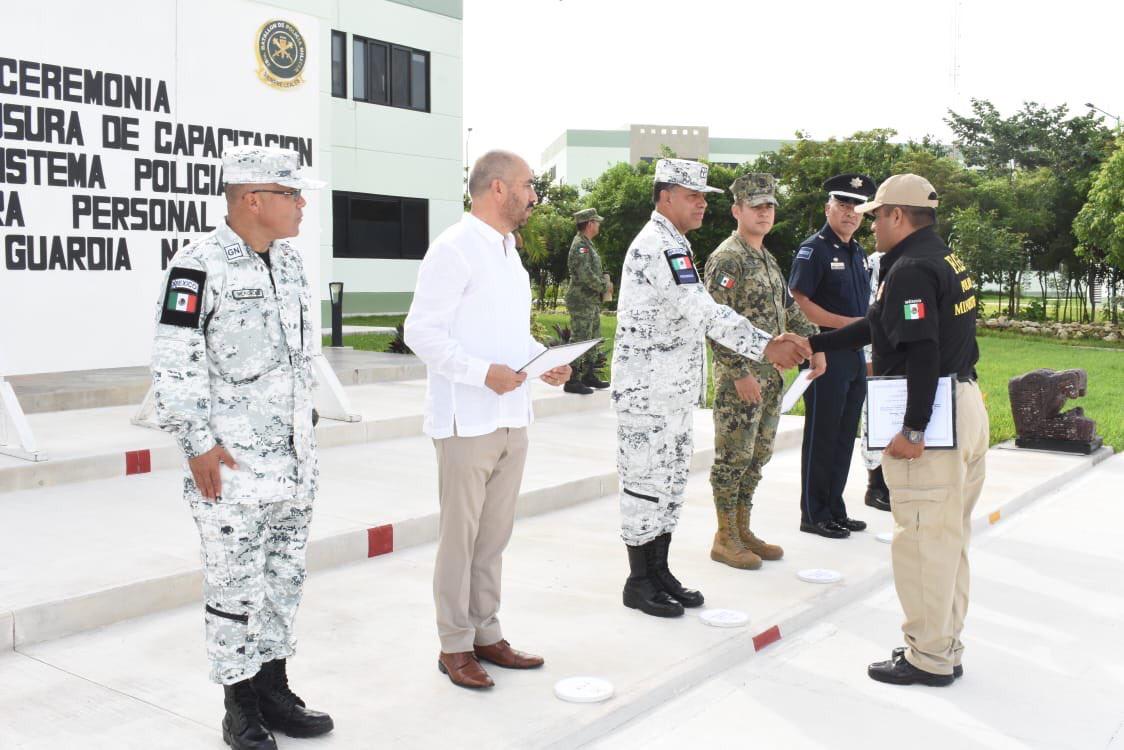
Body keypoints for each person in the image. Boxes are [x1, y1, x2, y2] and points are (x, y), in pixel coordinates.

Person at [151, 146, 333, 750]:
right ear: (253, 199)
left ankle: (274, 690)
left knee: (283, 580)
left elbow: (301, 361)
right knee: (234, 590)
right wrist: (197, 443)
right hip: (232, 466)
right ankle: (239, 708)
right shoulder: (198, 265)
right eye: (292, 194)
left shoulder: (290, 263)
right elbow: (175, 364)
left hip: (293, 462)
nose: (303, 204)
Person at [808, 173, 987, 687]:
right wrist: (818, 343)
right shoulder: (942, 258)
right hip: (962, 403)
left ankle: (928, 658)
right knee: (948, 539)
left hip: (930, 415)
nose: (871, 229)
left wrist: (913, 427)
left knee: (923, 542)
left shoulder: (909, 268)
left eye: (876, 218)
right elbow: (880, 325)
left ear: (897, 216)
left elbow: (924, 349)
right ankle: (942, 645)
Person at [613, 158, 811, 619]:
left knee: (669, 484)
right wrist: (766, 346)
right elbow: (705, 311)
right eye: (692, 195)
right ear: (665, 197)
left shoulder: (675, 243)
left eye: (705, 197)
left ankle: (659, 572)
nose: (702, 204)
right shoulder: (659, 245)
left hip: (671, 394)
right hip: (647, 396)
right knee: (645, 486)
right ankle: (639, 579)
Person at [404, 150, 571, 689]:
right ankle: (454, 644)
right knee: (461, 538)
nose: (533, 195)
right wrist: (482, 374)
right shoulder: (454, 248)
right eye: (527, 185)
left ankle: (486, 632)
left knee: (493, 537)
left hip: (510, 414)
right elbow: (421, 332)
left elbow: (507, 334)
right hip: (467, 419)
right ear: (497, 188)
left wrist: (543, 361)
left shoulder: (508, 252)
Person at [704, 173, 824, 569]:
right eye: (756, 206)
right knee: (733, 458)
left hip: (771, 376)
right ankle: (725, 537)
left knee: (757, 457)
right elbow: (714, 322)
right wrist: (739, 373)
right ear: (737, 210)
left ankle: (742, 530)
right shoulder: (728, 258)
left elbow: (789, 310)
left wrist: (815, 346)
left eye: (769, 205)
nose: (764, 212)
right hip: (740, 379)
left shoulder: (766, 257)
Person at [787, 173, 876, 539]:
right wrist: (847, 324)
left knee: (844, 435)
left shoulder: (857, 253)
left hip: (854, 355)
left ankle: (834, 507)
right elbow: (800, 302)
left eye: (857, 207)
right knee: (822, 434)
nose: (850, 212)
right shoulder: (814, 249)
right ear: (828, 208)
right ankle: (814, 512)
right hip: (825, 352)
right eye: (843, 204)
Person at [564, 207, 611, 395]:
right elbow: (585, 275)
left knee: (592, 337)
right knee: (579, 338)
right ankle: (572, 379)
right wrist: (603, 286)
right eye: (597, 222)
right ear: (590, 224)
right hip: (580, 300)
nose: (598, 225)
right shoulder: (580, 246)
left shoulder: (587, 244)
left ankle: (588, 375)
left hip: (589, 300)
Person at [861, 249, 892, 512]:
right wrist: (869, 357)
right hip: (878, 352)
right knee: (875, 418)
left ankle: (894, 483)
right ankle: (876, 486)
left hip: (902, 352)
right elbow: (868, 309)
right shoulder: (876, 261)